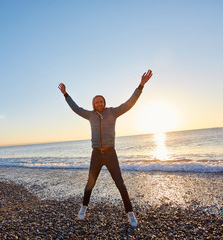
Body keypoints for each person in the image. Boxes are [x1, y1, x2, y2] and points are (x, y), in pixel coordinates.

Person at [58, 69, 153, 227]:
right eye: (96, 102)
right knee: (90, 182)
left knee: (120, 183)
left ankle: (130, 213)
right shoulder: (90, 115)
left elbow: (130, 103)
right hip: (96, 154)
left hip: (110, 154)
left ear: (104, 103)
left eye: (101, 101)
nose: (99, 103)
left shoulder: (113, 112)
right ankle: (83, 208)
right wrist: (66, 95)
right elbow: (75, 108)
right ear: (93, 104)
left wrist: (141, 86)